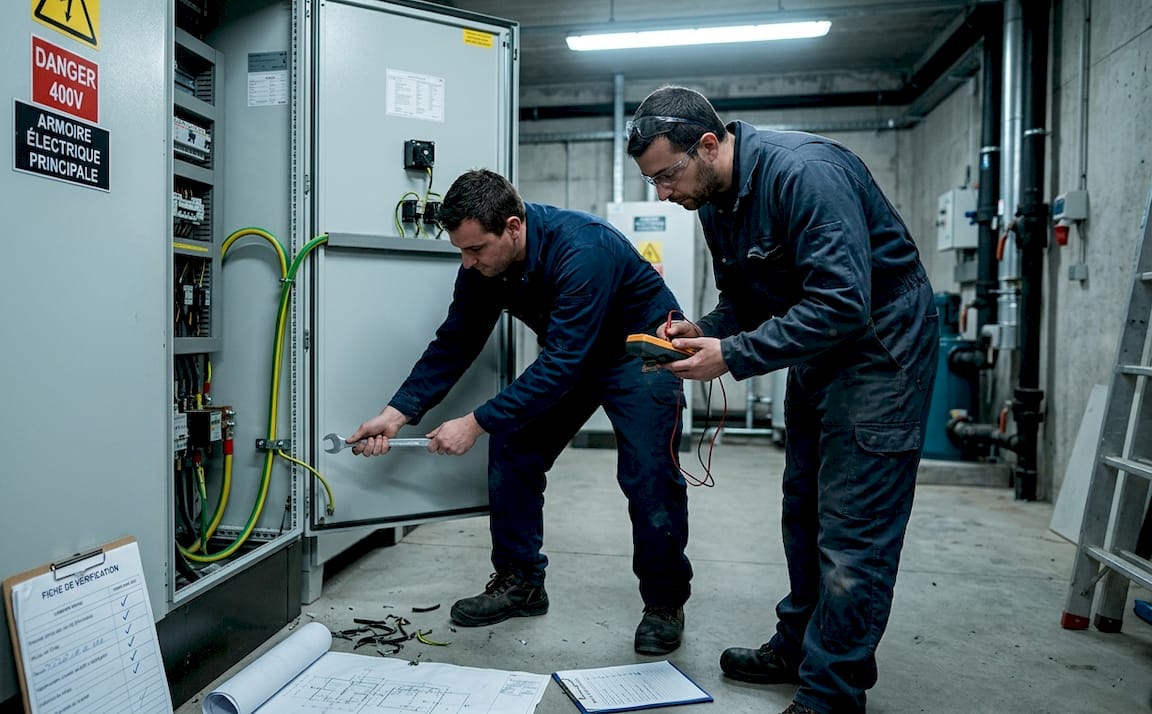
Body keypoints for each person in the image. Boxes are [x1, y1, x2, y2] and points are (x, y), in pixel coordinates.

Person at [625, 86, 939, 714]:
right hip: (819, 352)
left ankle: (832, 693)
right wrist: (706, 330)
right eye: (652, 182)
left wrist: (733, 355)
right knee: (804, 511)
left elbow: (842, 303)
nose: (662, 194)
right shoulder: (714, 200)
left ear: (708, 145)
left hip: (879, 349)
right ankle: (798, 647)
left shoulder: (805, 175)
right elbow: (748, 303)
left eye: (666, 176)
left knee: (854, 531)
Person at [346, 169, 694, 655]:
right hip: (574, 353)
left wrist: (475, 422)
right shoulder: (482, 266)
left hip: (640, 352)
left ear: (512, 227)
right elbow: (457, 341)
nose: (467, 263)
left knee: (648, 472)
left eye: (475, 250)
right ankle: (521, 583)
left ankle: (663, 602)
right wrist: (397, 412)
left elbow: (563, 364)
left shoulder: (582, 249)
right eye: (461, 251)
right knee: (513, 446)